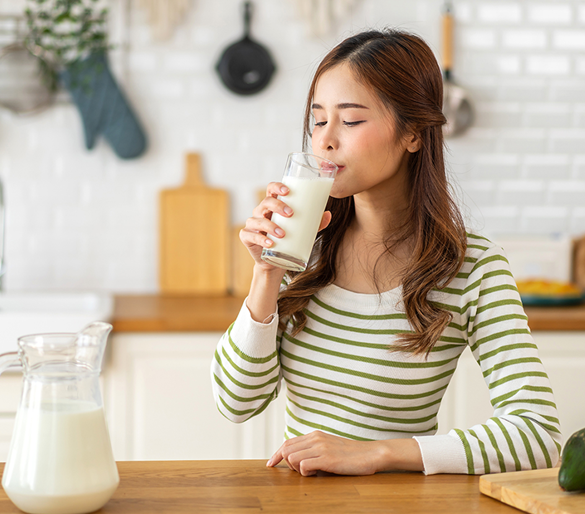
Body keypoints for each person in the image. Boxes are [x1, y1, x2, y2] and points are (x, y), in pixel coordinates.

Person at [210, 29, 562, 476]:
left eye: (351, 121)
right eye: (318, 120)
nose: (325, 141)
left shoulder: (471, 266)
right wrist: (266, 273)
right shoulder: (304, 247)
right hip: (294, 501)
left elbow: (537, 434)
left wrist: (379, 452)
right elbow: (235, 403)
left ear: (413, 134)